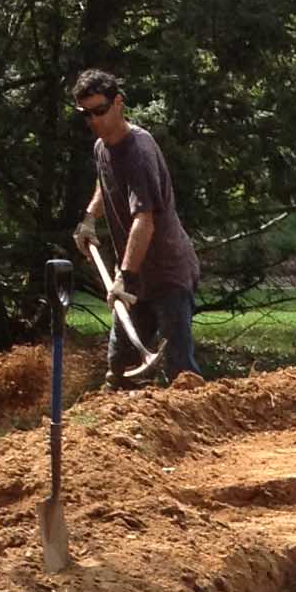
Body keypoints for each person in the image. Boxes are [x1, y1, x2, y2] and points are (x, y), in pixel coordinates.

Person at [72, 69, 202, 383]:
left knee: (179, 369)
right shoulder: (103, 147)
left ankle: (191, 425)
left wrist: (124, 277)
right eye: (86, 114)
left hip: (167, 273)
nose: (94, 120)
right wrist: (90, 219)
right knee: (120, 368)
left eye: (100, 111)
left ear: (118, 103)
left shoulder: (138, 153)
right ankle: (129, 429)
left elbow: (145, 221)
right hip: (135, 277)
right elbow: (107, 184)